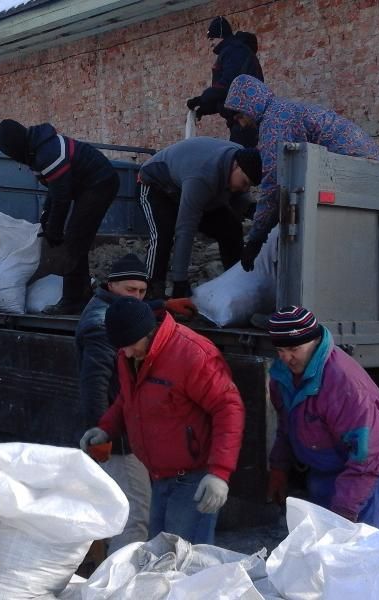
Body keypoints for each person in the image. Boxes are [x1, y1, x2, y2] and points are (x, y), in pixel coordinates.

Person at [80, 296, 244, 544]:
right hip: (160, 475)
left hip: (193, 478)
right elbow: (129, 398)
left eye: (130, 345)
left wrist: (219, 473)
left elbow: (229, 407)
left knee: (182, 559)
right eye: (121, 348)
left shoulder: (192, 355)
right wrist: (105, 429)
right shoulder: (131, 354)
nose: (125, 352)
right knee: (160, 553)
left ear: (148, 332)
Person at [75, 254, 197, 553]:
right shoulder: (100, 327)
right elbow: (95, 386)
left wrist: (161, 305)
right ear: (111, 284)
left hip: (127, 434)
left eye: (143, 292)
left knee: (121, 513)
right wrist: (101, 434)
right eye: (131, 290)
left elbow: (130, 310)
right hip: (119, 443)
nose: (138, 297)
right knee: (134, 518)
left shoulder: (109, 310)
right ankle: (123, 585)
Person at [223, 75, 379, 270]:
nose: (242, 124)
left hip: (354, 171)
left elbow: (274, 182)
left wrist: (256, 239)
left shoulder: (274, 124)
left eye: (240, 116)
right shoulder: (283, 110)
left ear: (251, 105)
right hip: (368, 168)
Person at [265, 306, 379, 528]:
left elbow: (367, 453)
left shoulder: (345, 385)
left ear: (314, 342)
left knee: (364, 553)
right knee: (325, 554)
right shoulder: (282, 376)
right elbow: (287, 426)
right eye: (280, 350)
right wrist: (279, 467)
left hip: (364, 481)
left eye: (294, 349)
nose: (287, 358)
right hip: (324, 477)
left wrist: (345, 509)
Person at [0, 119, 120, 314]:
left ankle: (73, 300)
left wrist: (54, 229)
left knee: (75, 239)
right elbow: (54, 189)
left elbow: (62, 197)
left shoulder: (47, 153)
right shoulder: (36, 150)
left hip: (100, 183)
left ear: (14, 146)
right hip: (86, 186)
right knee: (77, 240)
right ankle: (82, 294)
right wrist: (46, 216)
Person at [138, 137, 262, 298]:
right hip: (157, 186)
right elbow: (186, 230)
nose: (245, 188)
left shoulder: (243, 157)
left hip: (193, 188)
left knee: (231, 228)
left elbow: (240, 199)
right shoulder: (202, 177)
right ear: (235, 166)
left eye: (249, 186)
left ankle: (236, 283)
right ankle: (151, 291)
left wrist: (255, 212)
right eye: (245, 182)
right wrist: (180, 281)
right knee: (163, 235)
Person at [186, 16, 264, 148]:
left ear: (221, 35)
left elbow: (227, 86)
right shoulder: (233, 51)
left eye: (212, 39)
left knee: (241, 163)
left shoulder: (234, 51)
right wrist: (203, 109)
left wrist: (201, 100)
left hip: (245, 121)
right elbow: (226, 96)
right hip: (240, 121)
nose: (210, 43)